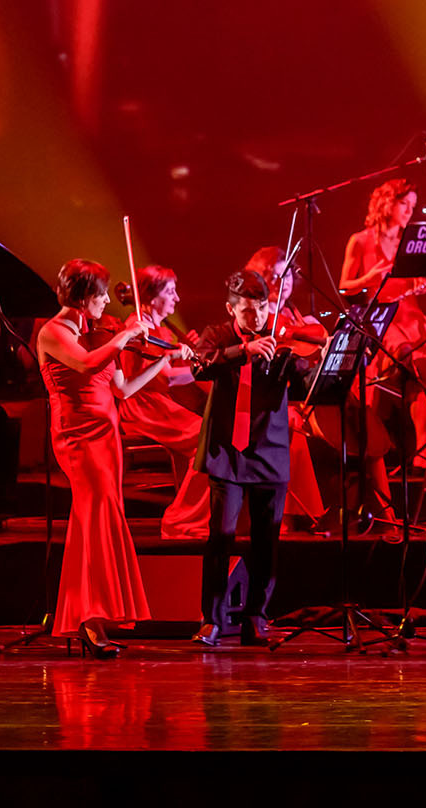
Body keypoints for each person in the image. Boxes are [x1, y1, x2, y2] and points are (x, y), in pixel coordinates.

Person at [36, 258, 191, 657]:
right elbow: (86, 365)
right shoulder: (53, 333)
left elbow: (122, 390)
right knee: (93, 520)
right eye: (101, 295)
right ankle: (89, 618)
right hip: (78, 438)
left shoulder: (94, 335)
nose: (107, 302)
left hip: (106, 438)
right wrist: (123, 336)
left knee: (99, 520)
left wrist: (163, 359)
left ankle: (92, 617)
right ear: (84, 297)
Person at [191, 271, 316, 648]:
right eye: (248, 310)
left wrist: (321, 359)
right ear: (231, 309)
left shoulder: (282, 338)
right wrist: (243, 352)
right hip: (227, 451)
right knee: (221, 537)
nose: (258, 317)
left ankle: (256, 617)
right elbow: (201, 366)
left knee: (266, 540)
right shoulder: (217, 336)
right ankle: (211, 620)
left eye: (262, 308)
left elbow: (306, 385)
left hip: (269, 449)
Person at [339, 177, 426, 526]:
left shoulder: (412, 241)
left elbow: (419, 281)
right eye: (404, 204)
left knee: (424, 378)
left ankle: (422, 455)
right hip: (382, 319)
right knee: (391, 372)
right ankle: (375, 454)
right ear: (387, 203)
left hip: (412, 316)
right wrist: (371, 278)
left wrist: (422, 283)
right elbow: (344, 286)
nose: (409, 211)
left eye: (413, 206)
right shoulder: (361, 240)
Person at [115, 265, 210, 540]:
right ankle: (181, 518)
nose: (177, 298)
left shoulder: (157, 330)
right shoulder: (138, 328)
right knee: (210, 442)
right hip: (143, 408)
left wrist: (186, 355)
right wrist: (203, 369)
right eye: (170, 292)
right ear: (151, 296)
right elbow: (166, 379)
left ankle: (197, 514)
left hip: (157, 404)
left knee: (210, 438)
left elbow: (166, 372)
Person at [243, 244, 330, 531]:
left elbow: (311, 349)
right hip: (270, 400)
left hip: (302, 396)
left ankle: (381, 512)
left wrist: (321, 341)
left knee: (357, 416)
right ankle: (288, 519)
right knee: (293, 432)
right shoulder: (256, 315)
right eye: (276, 276)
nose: (284, 282)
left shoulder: (294, 315)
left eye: (288, 275)